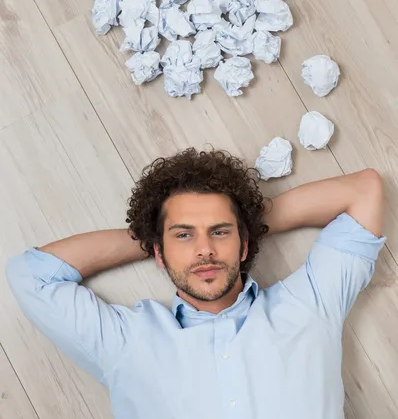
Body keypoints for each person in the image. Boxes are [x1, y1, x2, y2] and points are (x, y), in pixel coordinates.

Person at [6, 148, 385, 419]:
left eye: (219, 232)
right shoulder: (126, 343)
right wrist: (157, 237)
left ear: (244, 244)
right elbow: (30, 274)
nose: (204, 250)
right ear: (158, 252)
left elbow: (363, 191)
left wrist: (246, 218)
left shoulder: (308, 307)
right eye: (184, 236)